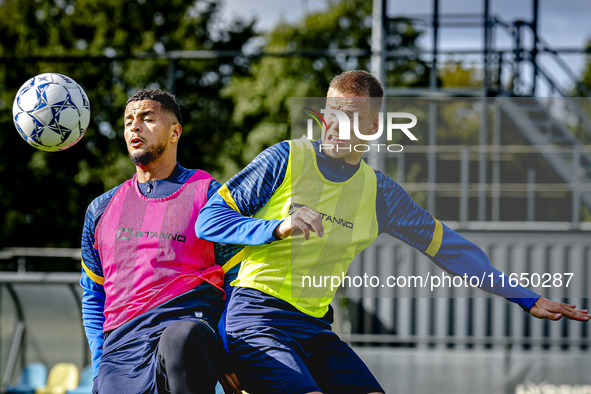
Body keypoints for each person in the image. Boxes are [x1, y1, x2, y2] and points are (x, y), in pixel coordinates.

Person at [195, 70, 590, 394]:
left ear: (373, 125)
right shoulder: (286, 157)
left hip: (314, 326)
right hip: (255, 316)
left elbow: (450, 248)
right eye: (330, 112)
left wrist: (525, 296)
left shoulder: (381, 193)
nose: (333, 125)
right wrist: (278, 227)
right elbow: (209, 221)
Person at [80, 89, 240, 394]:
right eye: (128, 122)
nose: (134, 127)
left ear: (175, 132)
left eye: (147, 118)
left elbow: (237, 279)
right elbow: (93, 295)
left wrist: (230, 350)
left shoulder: (210, 196)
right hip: (122, 351)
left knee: (179, 338)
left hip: (189, 332)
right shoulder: (100, 209)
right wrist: (101, 364)